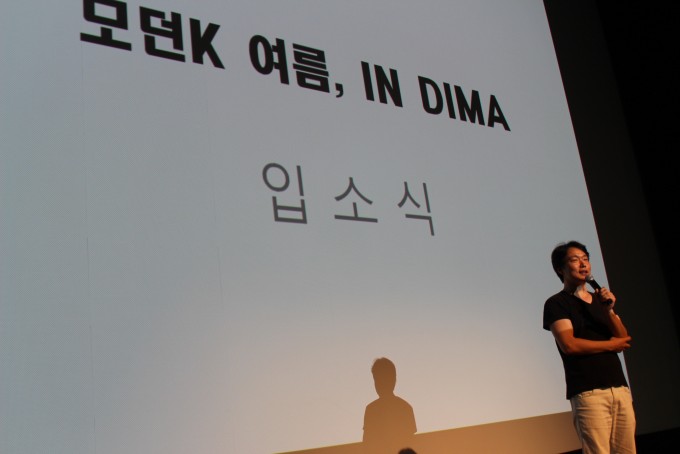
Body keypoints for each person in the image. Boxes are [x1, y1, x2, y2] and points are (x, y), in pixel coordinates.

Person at [543, 240, 636, 453]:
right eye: (575, 260)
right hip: (589, 393)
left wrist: (609, 310)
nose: (583, 264)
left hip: (619, 388)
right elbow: (569, 345)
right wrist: (610, 345)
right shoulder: (557, 303)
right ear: (560, 269)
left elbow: (623, 339)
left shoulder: (600, 300)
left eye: (585, 259)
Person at [362, 357, 417, 454]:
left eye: (382, 379)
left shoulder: (372, 409)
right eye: (376, 380)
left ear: (393, 380)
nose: (378, 384)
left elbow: (366, 443)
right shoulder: (405, 407)